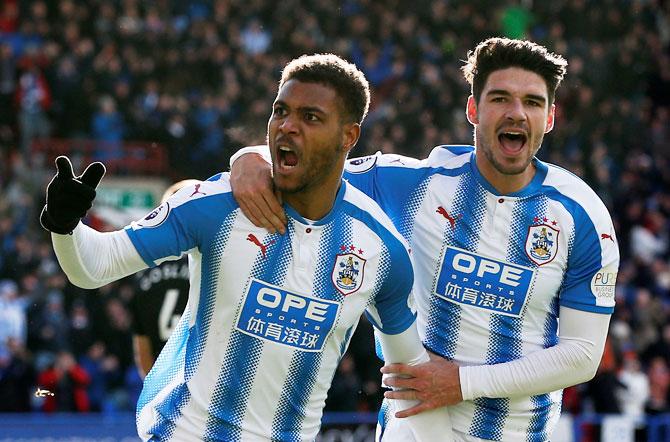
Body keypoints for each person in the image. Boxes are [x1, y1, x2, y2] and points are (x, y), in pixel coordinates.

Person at [40, 54, 452, 441]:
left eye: (310, 117)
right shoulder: (215, 205)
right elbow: (94, 266)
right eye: (280, 111)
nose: (287, 126)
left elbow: (410, 377)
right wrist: (66, 226)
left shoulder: (380, 247)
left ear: (349, 136)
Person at [229, 38, 620, 441]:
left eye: (533, 103)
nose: (517, 113)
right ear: (473, 110)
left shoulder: (581, 216)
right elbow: (306, 166)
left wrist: (461, 383)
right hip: (412, 421)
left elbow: (582, 356)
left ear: (550, 117)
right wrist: (248, 159)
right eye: (500, 98)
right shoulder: (415, 183)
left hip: (517, 432)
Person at [130, 180, 197, 379]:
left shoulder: (143, 269)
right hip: (201, 373)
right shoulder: (210, 261)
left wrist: (153, 388)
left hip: (162, 374)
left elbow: (141, 347)